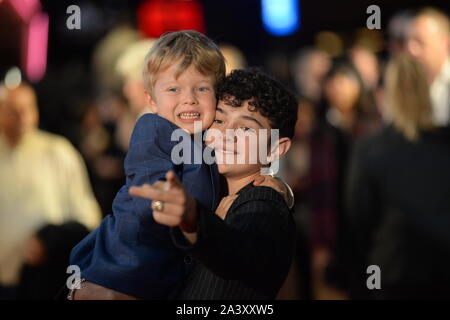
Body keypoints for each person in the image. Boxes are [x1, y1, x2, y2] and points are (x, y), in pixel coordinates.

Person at [69, 30, 226, 300]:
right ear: (151, 100)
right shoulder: (153, 129)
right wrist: (166, 201)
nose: (189, 98)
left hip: (162, 277)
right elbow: (148, 190)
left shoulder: (209, 140)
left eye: (202, 88)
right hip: (126, 270)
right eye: (173, 89)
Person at [130, 68, 298, 299]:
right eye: (219, 120)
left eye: (246, 128)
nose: (226, 134)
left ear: (275, 149)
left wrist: (193, 219)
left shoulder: (263, 203)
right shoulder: (200, 188)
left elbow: (241, 253)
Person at [343, 55, 450, 299]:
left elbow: (358, 216)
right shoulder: (445, 143)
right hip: (442, 271)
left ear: (385, 94)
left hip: (388, 273)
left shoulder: (369, 149)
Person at [0, 83, 101, 299]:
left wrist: (51, 241)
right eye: (12, 110)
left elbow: (87, 217)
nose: (22, 117)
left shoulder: (57, 151)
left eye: (27, 108)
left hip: (44, 280)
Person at [406, 7, 450, 127]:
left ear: (446, 44)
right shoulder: (406, 83)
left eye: (419, 42)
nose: (411, 50)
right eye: (409, 42)